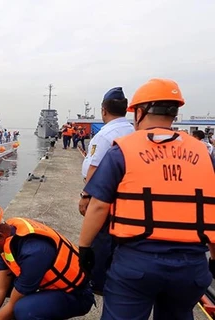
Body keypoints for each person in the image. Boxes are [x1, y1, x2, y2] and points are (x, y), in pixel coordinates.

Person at [78, 78, 215, 320]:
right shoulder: (203, 153)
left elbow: (98, 205)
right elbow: (209, 209)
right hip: (191, 268)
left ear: (140, 112)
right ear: (174, 112)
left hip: (137, 263)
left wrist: (85, 248)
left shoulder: (122, 150)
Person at [0, 204, 94, 320]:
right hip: (49, 286)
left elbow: (12, 305)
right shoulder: (5, 238)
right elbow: (0, 288)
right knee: (12, 292)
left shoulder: (34, 253)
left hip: (77, 295)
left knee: (24, 310)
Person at [78, 87, 134, 295]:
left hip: (103, 192)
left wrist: (86, 196)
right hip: (124, 194)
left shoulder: (105, 135)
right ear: (126, 109)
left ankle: (97, 282)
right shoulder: (132, 131)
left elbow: (95, 167)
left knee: (100, 239)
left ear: (103, 110)